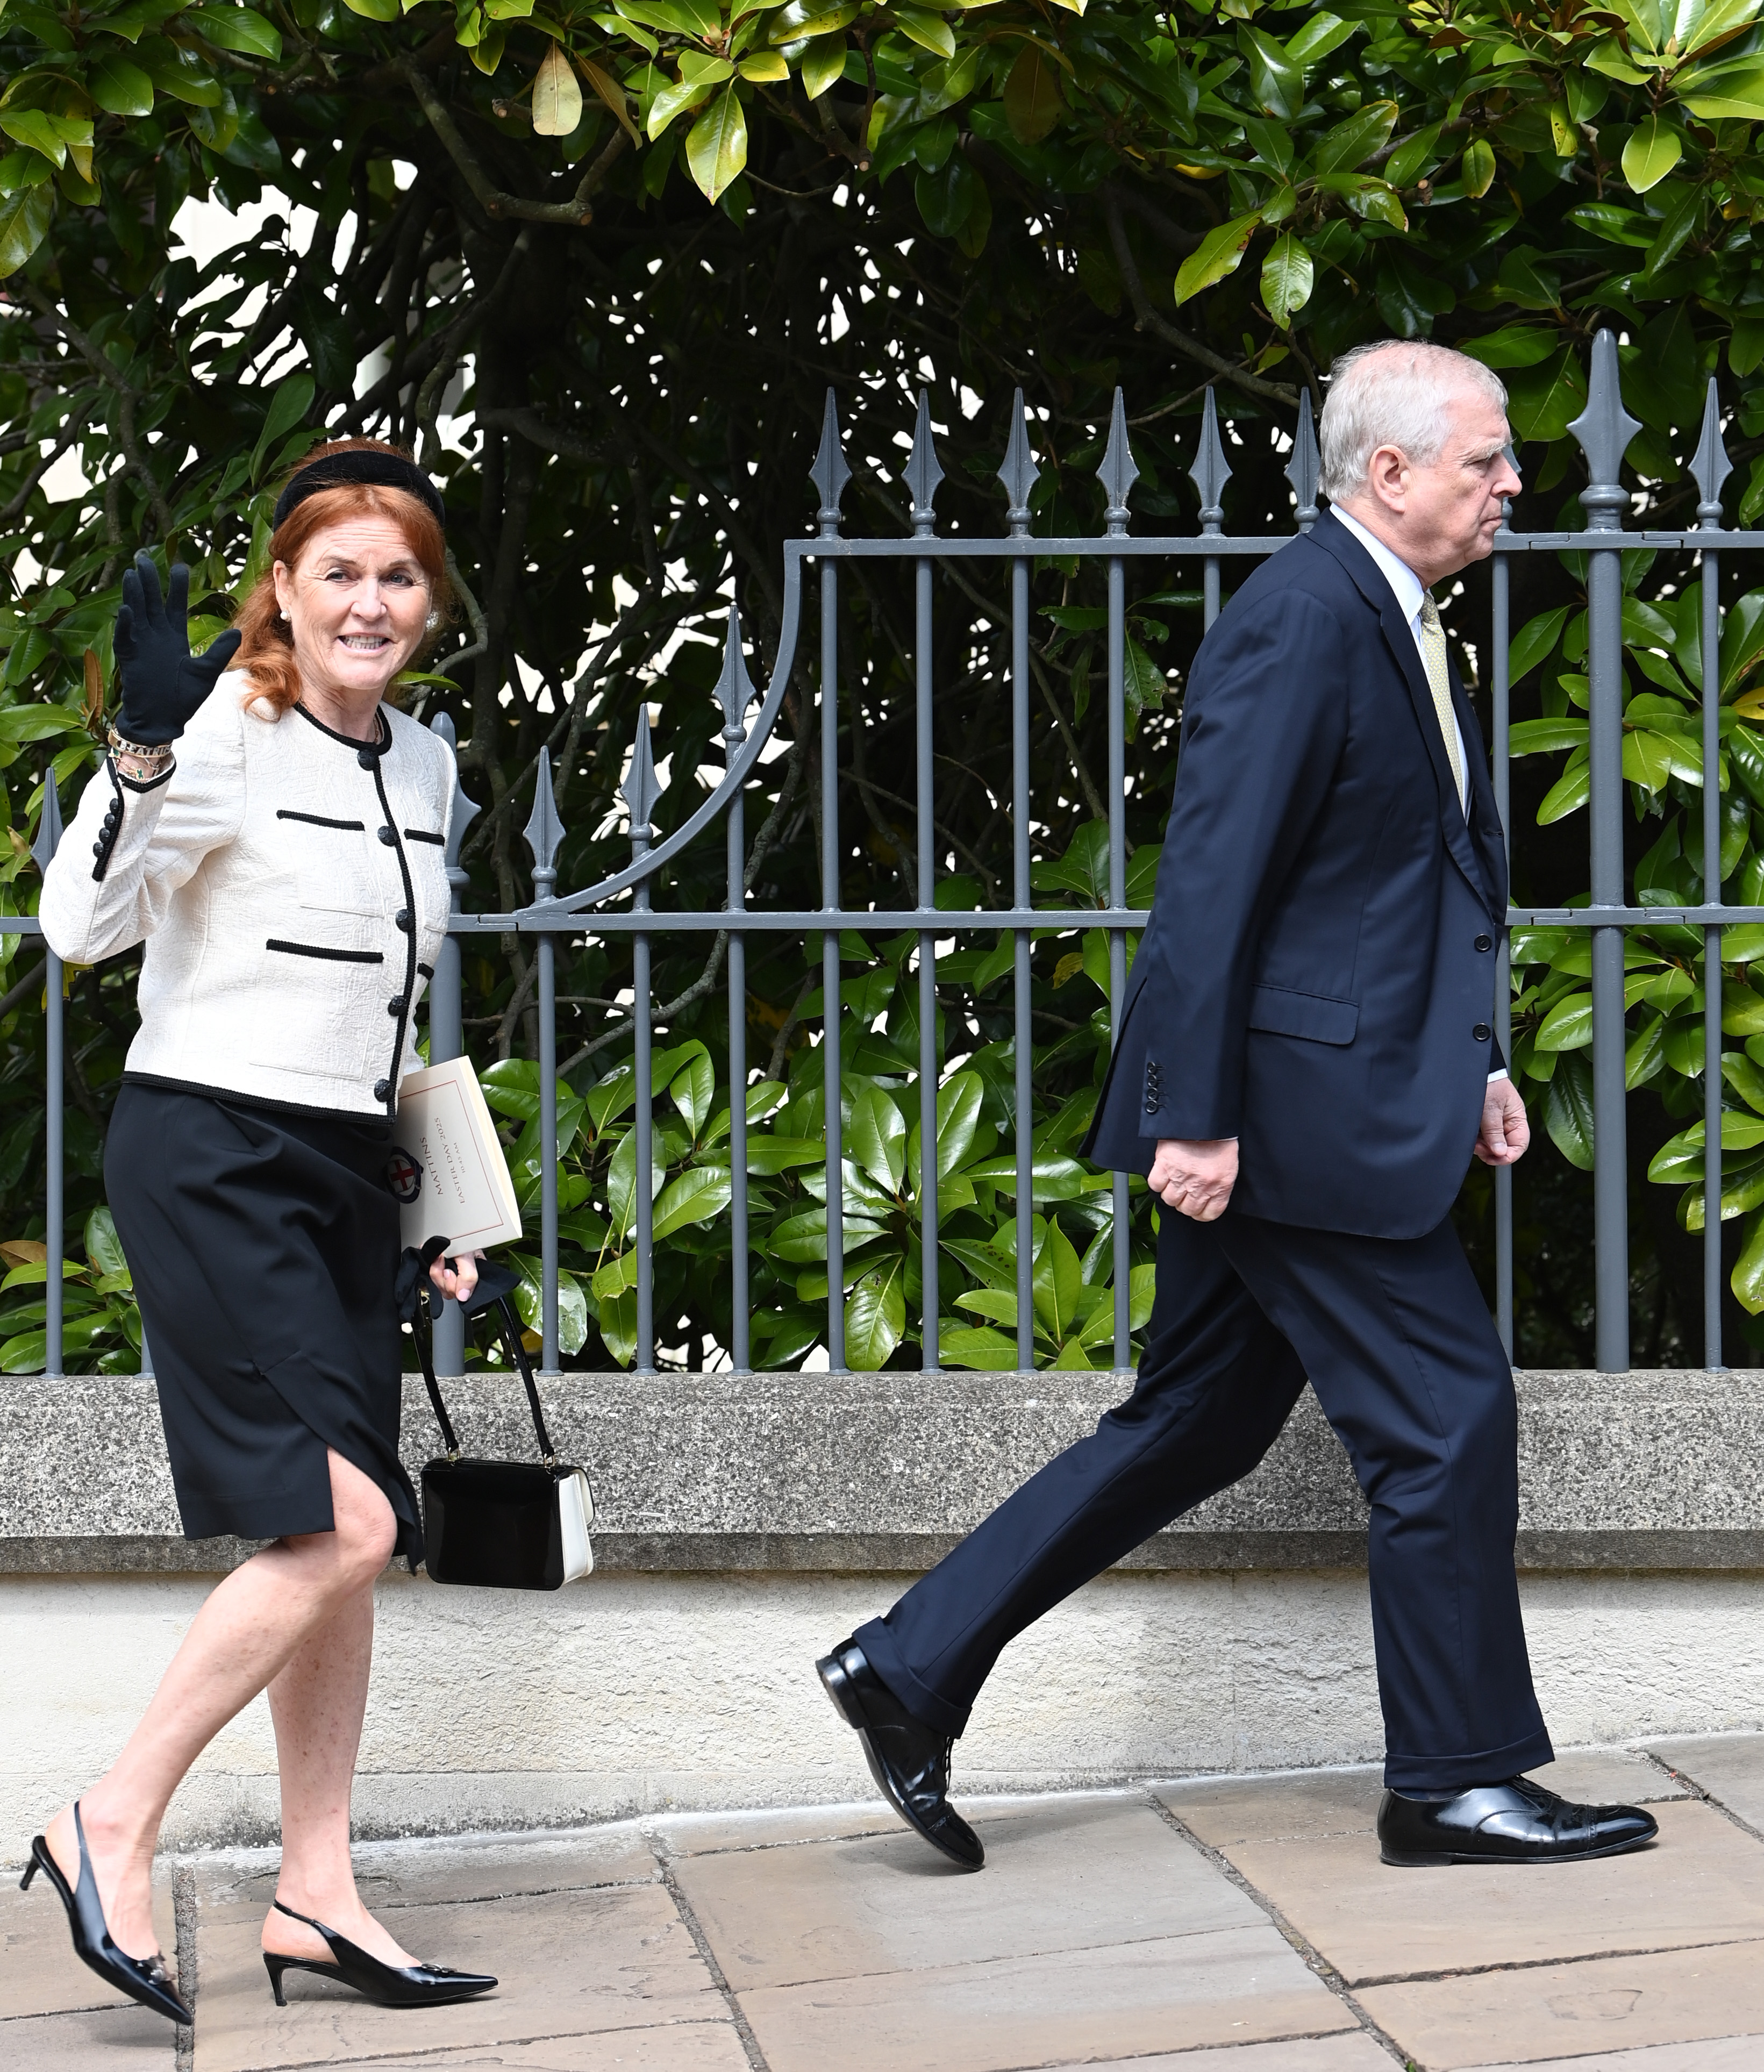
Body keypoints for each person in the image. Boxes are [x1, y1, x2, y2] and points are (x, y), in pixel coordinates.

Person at [817, 341, 1660, 1873]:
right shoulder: (1302, 617)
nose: (1512, 484)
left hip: (1331, 1092)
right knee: (1447, 1420)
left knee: (1198, 1418)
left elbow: (1385, 891)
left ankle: (908, 1666)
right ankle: (1454, 1783)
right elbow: (1211, 887)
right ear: (1388, 471)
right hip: (1288, 1120)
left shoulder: (1394, 614)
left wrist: (1472, 1063)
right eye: (1486, 459)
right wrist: (1191, 1117)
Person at [25, 441, 497, 2024]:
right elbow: (78, 930)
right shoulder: (223, 726)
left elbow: (395, 1006)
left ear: (430, 599)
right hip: (213, 1150)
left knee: (341, 1548)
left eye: (399, 575)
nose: (370, 602)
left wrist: (438, 1202)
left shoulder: (424, 765)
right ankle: (108, 1822)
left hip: (349, 1170)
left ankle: (317, 1895)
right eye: (339, 572)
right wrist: (140, 759)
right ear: (282, 587)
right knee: (347, 1526)